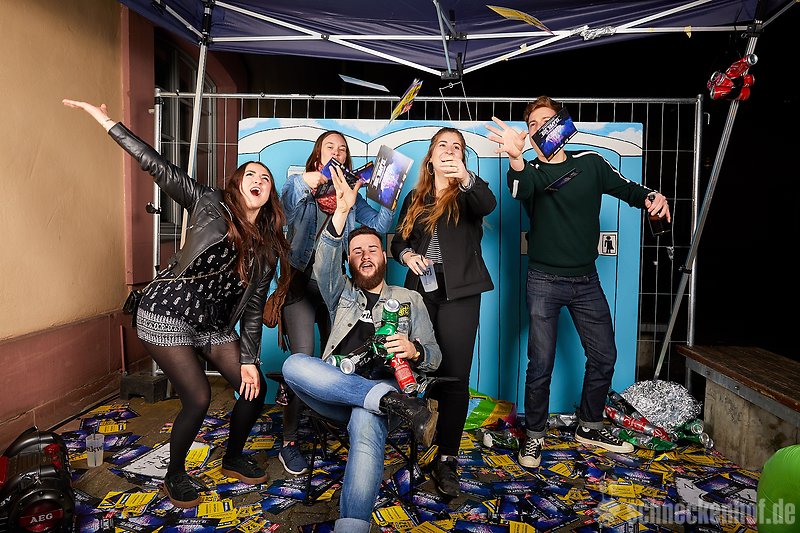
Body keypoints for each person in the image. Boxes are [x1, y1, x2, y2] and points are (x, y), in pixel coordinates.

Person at [63, 99, 290, 507]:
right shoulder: (209, 203)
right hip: (167, 309)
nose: (258, 179)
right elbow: (158, 166)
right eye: (250, 174)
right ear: (237, 185)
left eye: (265, 178)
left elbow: (254, 309)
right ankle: (174, 475)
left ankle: (233, 457)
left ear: (269, 194)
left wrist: (249, 359)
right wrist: (108, 122)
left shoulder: (267, 247)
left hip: (211, 322)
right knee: (198, 397)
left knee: (254, 390)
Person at [486, 96, 672, 468]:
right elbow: (519, 189)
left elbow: (630, 190)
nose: (540, 127)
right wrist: (516, 158)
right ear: (529, 135)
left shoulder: (591, 163)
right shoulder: (531, 172)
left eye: (547, 119)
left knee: (604, 356)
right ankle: (534, 436)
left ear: (562, 122)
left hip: (586, 281)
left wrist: (653, 197)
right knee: (541, 363)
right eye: (533, 124)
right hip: (544, 281)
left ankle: (589, 425)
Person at [282, 165, 441, 533]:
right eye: (356, 252)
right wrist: (341, 211)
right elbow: (324, 263)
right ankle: (386, 400)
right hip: (335, 391)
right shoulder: (341, 294)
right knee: (294, 364)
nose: (366, 255)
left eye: (372, 249)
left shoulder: (410, 298)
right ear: (349, 261)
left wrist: (415, 350)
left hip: (388, 386)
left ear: (384, 257)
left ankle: (351, 527)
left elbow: (435, 357)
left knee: (367, 418)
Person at [277, 130, 395, 476]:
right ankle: (289, 443)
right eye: (331, 147)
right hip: (300, 287)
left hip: (335, 289)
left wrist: (387, 193)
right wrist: (313, 179)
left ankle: (335, 425)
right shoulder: (301, 187)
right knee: (304, 357)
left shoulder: (351, 196)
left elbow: (379, 225)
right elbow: (285, 208)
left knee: (338, 360)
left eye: (343, 149)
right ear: (319, 155)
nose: (338, 152)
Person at [390, 127, 496, 497]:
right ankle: (421, 443)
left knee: (454, 375)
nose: (450, 151)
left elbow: (488, 204)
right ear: (431, 157)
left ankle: (447, 457)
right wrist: (407, 254)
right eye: (443, 145)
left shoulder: (468, 192)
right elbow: (398, 241)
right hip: (420, 292)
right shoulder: (415, 197)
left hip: (460, 294)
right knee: (417, 368)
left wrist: (465, 177)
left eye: (457, 147)